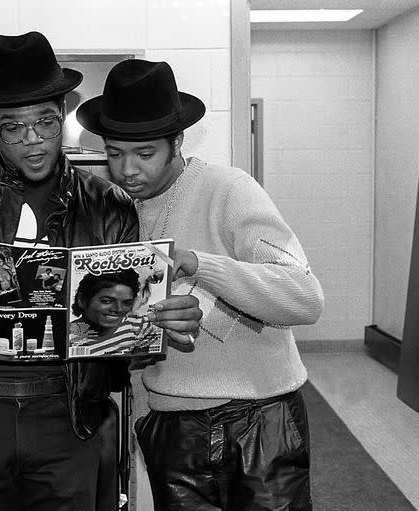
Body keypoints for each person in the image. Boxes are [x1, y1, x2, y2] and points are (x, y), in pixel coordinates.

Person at [0, 33, 202, 511]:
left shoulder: (107, 203)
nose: (32, 140)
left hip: (69, 416)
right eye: (13, 128)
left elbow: (126, 321)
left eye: (46, 122)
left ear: (64, 115)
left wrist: (156, 321)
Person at [77, 59, 324, 510]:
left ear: (177, 141)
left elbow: (304, 297)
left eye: (145, 153)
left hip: (258, 417)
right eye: (114, 153)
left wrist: (199, 265)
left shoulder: (229, 189)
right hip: (170, 424)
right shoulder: (113, 211)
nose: (128, 169)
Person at [69, 269, 155, 356]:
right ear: (82, 300)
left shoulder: (141, 327)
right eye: (106, 301)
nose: (119, 309)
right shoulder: (63, 338)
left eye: (127, 303)